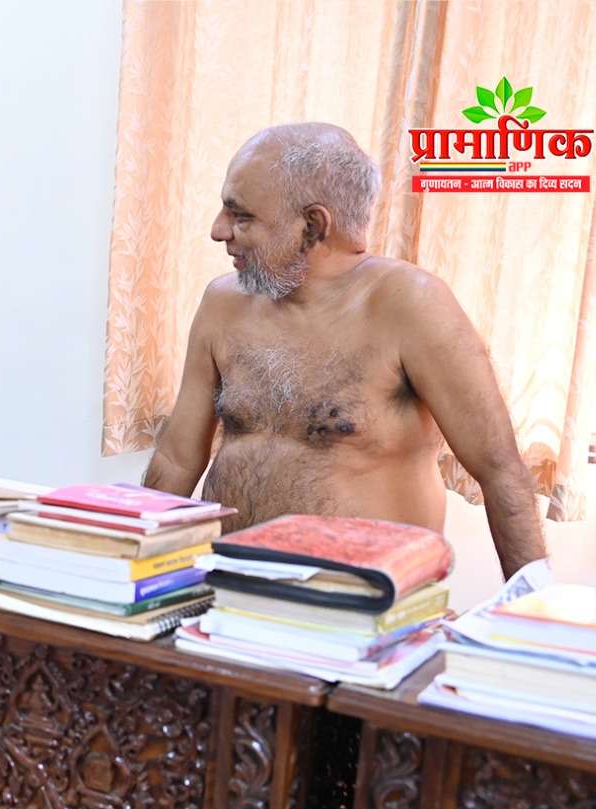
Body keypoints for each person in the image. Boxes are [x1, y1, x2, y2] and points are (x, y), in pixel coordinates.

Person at [142, 123, 547, 577]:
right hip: (228, 585)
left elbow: (499, 470)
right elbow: (176, 459)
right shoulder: (223, 303)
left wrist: (530, 605)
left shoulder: (411, 304)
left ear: (313, 226)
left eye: (241, 216)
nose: (219, 231)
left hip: (362, 599)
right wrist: (125, 571)